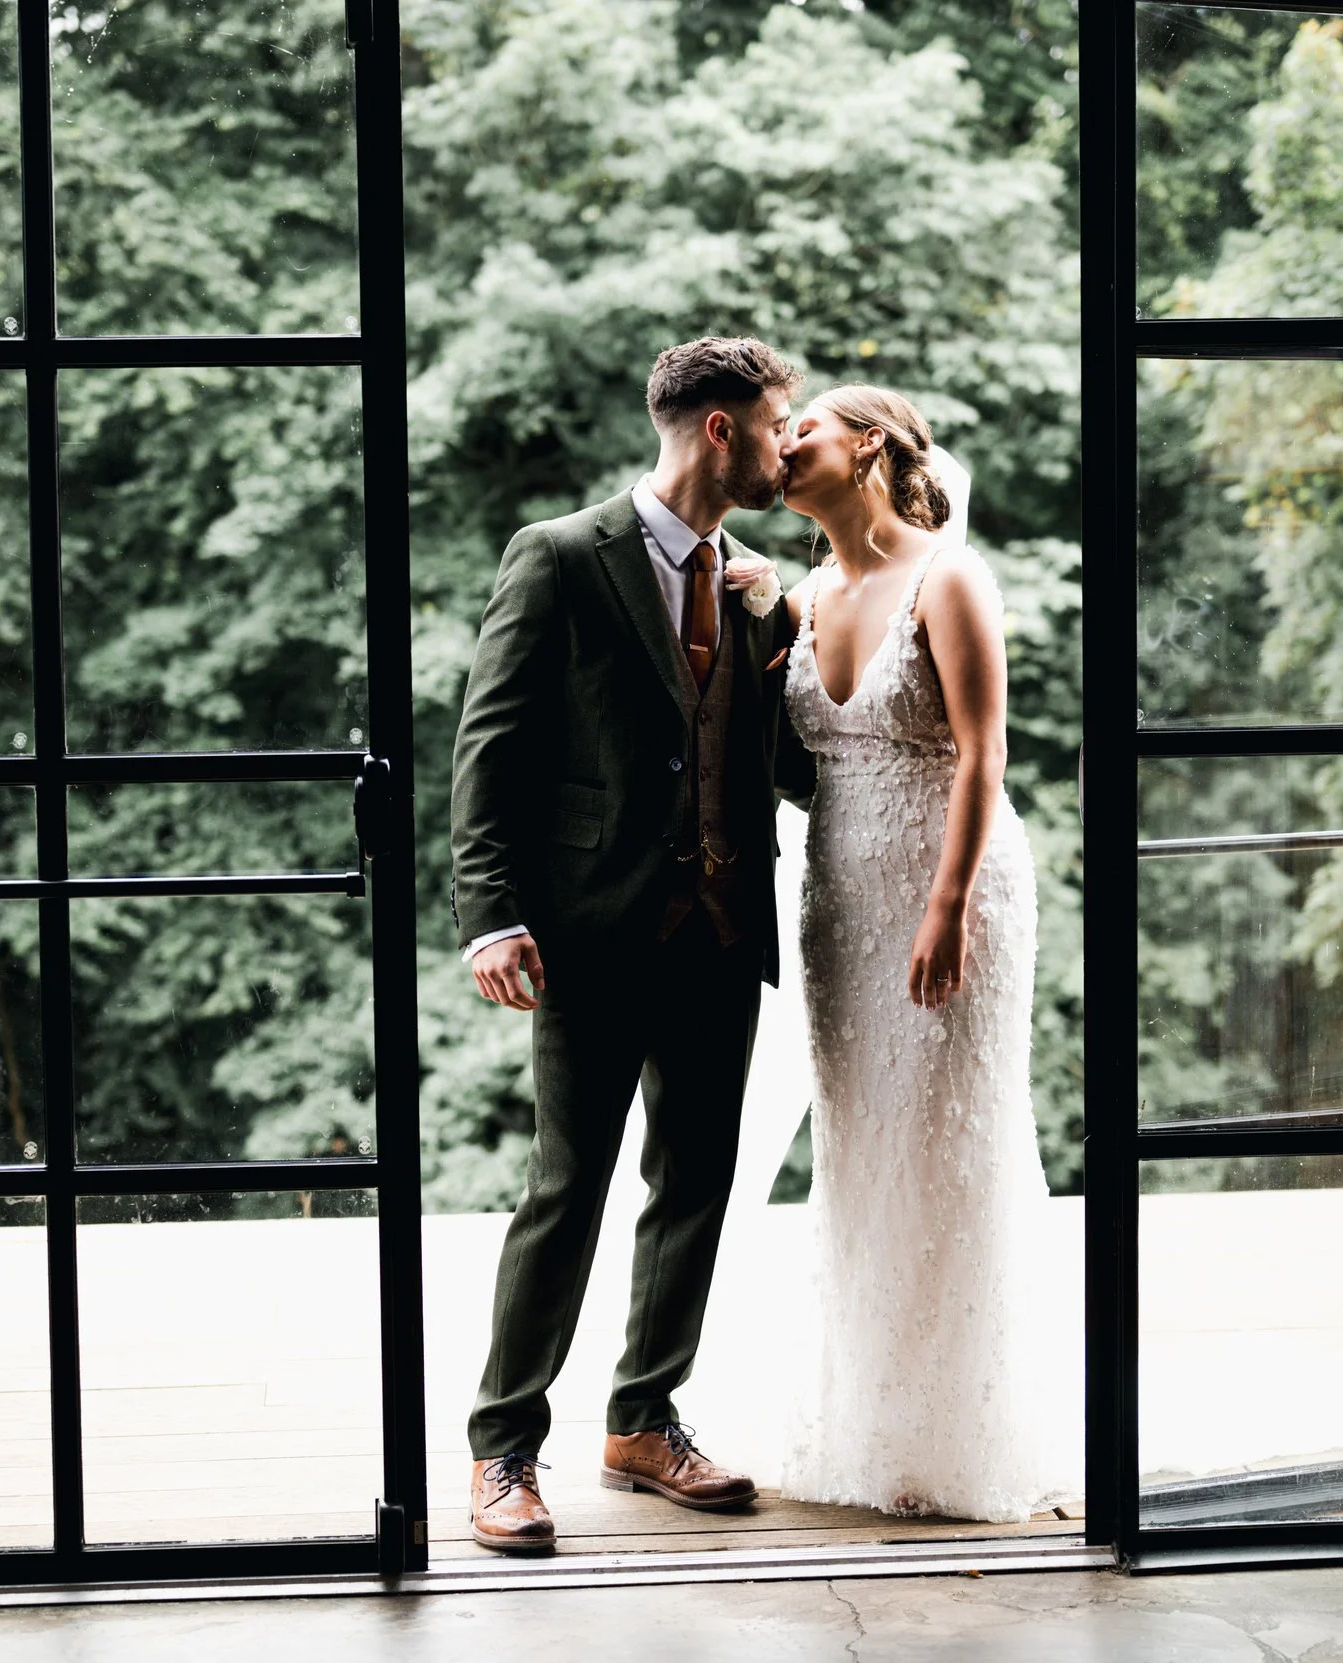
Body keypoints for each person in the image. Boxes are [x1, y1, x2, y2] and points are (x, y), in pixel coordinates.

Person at [449, 336, 806, 1554]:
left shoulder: (754, 583)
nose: (786, 446)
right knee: (568, 1189)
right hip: (591, 932)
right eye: (775, 425)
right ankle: (504, 1448)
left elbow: (788, 762)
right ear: (720, 429)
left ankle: (643, 1417)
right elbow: (487, 748)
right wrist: (490, 911)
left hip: (719, 932)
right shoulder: (560, 556)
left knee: (694, 1188)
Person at [761, 384, 1058, 1521]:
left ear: (869, 444)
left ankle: (968, 1435)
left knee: (949, 1140)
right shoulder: (793, 598)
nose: (784, 449)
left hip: (952, 883)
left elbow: (983, 753)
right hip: (836, 896)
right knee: (862, 1149)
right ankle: (876, 1428)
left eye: (805, 432)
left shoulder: (950, 577)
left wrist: (949, 903)